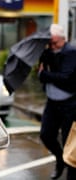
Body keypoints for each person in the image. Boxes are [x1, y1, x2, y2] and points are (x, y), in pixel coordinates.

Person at [38, 23, 76, 180]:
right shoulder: (48, 52)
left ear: (63, 39)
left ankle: (70, 173)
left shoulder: (71, 52)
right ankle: (60, 160)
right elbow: (40, 73)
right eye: (50, 43)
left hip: (70, 104)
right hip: (52, 103)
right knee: (46, 135)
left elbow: (65, 78)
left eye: (55, 42)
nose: (52, 46)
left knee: (70, 143)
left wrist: (45, 75)